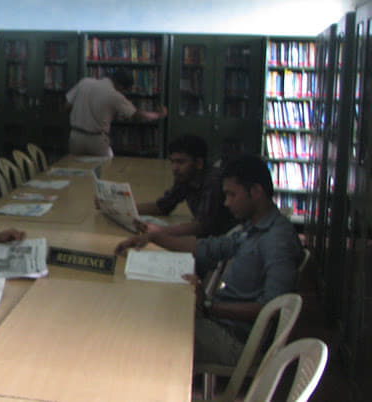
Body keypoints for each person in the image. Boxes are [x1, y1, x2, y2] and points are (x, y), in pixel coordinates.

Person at [114, 154, 303, 366]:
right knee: (151, 313)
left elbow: (273, 309)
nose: (226, 202)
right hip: (220, 322)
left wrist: (208, 306)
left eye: (232, 195)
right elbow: (206, 247)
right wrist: (155, 237)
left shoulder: (277, 241)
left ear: (256, 192)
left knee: (149, 328)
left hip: (237, 343)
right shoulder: (252, 227)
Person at [133, 134, 236, 238]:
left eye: (180, 162)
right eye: (172, 162)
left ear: (199, 163)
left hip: (227, 239)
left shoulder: (214, 183)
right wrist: (129, 210)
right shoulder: (185, 177)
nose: (175, 168)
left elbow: (202, 226)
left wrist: (160, 231)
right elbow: (163, 206)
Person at [66, 69, 168, 158]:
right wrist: (158, 115)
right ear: (120, 85)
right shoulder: (114, 95)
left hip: (75, 136)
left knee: (77, 170)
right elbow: (136, 114)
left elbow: (67, 105)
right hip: (96, 140)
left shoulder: (85, 82)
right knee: (103, 170)